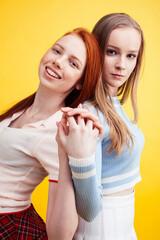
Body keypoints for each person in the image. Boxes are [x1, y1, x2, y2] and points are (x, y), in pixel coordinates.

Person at [0, 28, 103, 240]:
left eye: (73, 63)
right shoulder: (22, 110)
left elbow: (61, 236)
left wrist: (66, 152)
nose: (58, 61)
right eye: (57, 51)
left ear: (80, 83)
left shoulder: (57, 131)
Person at [58, 13, 145, 239]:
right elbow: (88, 210)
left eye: (131, 56)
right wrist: (79, 158)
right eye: (112, 52)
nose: (121, 65)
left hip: (123, 225)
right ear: (96, 53)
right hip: (101, 228)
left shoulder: (112, 105)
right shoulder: (89, 114)